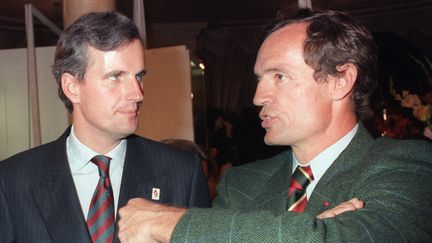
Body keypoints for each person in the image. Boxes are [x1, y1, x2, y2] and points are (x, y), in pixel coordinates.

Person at [117, 9, 432, 242]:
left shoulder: (410, 165)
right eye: (259, 79)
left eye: (279, 76)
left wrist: (172, 223)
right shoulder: (241, 183)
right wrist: (314, 230)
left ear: (340, 80)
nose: (257, 97)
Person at [0, 11, 211, 243]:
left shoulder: (182, 173)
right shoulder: (14, 181)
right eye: (115, 76)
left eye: (139, 76)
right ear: (72, 87)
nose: (137, 93)